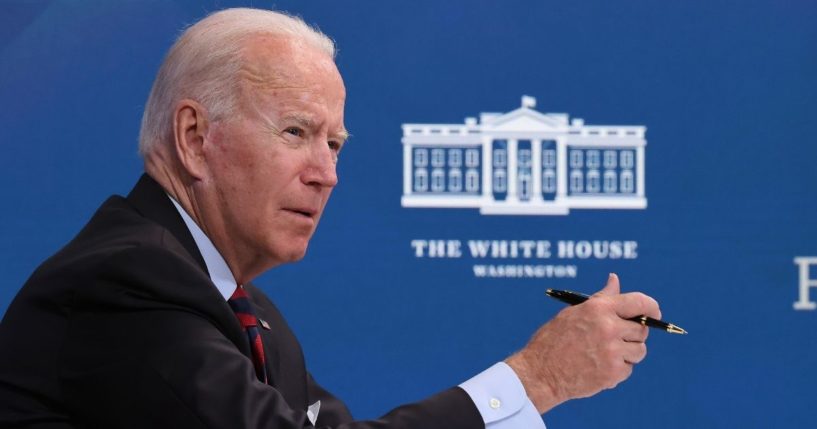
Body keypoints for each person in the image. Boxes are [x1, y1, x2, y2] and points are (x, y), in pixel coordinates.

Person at [0, 8, 661, 428]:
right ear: (195, 136)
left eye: (335, 143)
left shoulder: (253, 318)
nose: (326, 173)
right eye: (296, 132)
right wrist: (536, 378)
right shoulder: (124, 282)